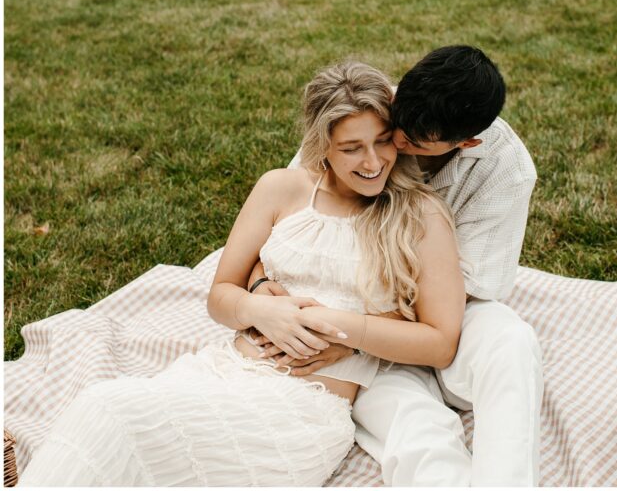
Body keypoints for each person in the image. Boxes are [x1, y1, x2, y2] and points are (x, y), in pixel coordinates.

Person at [18, 62, 465, 487]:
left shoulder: (419, 215)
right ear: (322, 146)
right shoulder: (281, 188)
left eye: (383, 141)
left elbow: (441, 342)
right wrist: (260, 310)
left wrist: (338, 329)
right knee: (106, 418)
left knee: (111, 411)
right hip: (220, 373)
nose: (372, 161)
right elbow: (221, 295)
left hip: (300, 412)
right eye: (351, 148)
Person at [248, 45, 543, 486]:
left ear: (466, 142)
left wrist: (354, 337)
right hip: (355, 303)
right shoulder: (368, 110)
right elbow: (300, 205)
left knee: (512, 340)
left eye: (414, 141)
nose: (397, 143)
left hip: (446, 319)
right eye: (396, 127)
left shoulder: (507, 171)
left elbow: (473, 290)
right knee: (419, 435)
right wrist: (259, 285)